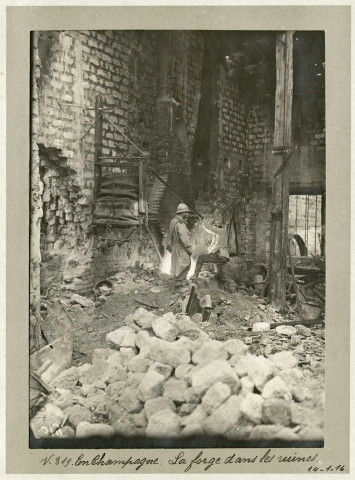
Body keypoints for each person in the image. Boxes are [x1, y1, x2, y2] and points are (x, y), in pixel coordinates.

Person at [191, 219, 236, 293]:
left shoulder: (221, 230)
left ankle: (195, 277)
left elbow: (208, 228)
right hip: (223, 257)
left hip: (219, 255)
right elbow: (213, 247)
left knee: (200, 258)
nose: (214, 228)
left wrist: (203, 222)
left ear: (217, 226)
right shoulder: (218, 235)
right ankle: (233, 290)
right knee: (223, 276)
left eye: (214, 226)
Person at [166, 203, 193, 278]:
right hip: (181, 250)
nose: (187, 214)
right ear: (183, 213)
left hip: (175, 250)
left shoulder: (173, 221)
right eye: (186, 212)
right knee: (186, 266)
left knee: (176, 270)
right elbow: (185, 240)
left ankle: (177, 285)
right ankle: (181, 286)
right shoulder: (181, 224)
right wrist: (190, 251)